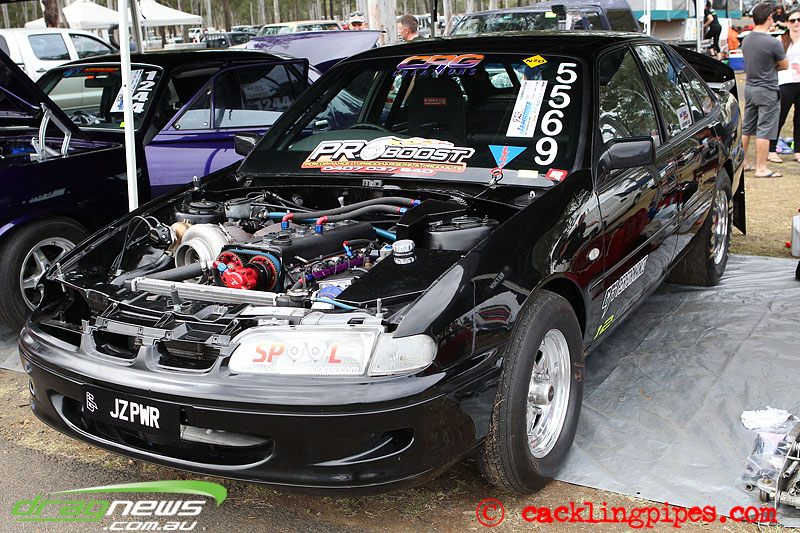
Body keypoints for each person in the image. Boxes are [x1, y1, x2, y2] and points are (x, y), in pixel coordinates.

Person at [741, 3, 789, 177]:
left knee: (747, 127)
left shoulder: (746, 39)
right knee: (765, 129)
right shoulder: (772, 42)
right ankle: (761, 167)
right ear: (769, 17)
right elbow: (784, 65)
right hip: (767, 88)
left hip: (750, 87)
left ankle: (743, 161)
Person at [769, 8, 800, 162]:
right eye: (793, 20)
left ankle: (798, 151)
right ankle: (771, 149)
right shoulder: (780, 40)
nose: (796, 23)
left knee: (799, 120)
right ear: (787, 23)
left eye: (799, 20)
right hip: (785, 83)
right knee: (779, 117)